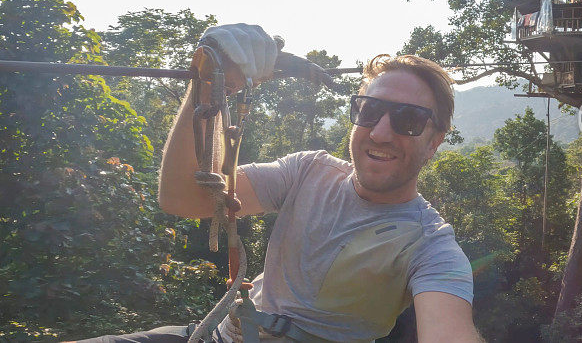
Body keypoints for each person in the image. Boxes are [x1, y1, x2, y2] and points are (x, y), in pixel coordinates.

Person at [80, 24, 481, 343]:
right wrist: (210, 84)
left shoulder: (430, 246)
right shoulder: (307, 171)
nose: (379, 132)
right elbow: (183, 197)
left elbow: (449, 330)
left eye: (408, 120)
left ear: (434, 143)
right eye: (370, 110)